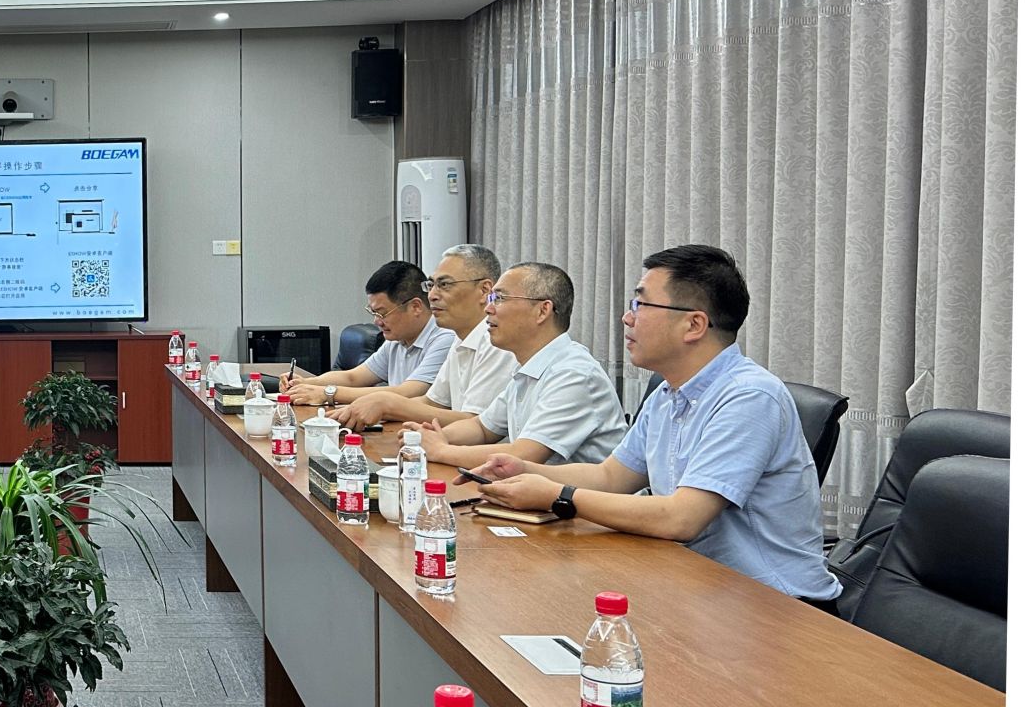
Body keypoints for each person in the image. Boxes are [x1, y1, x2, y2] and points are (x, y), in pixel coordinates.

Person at [476, 246, 840, 603]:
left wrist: (558, 496)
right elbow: (611, 477)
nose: (627, 318)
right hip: (694, 583)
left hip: (774, 604)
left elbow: (681, 518)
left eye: (641, 305)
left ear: (694, 324)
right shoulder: (668, 393)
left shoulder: (749, 396)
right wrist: (525, 470)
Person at [406, 261, 625, 468]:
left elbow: (523, 455)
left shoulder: (573, 374)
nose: (488, 308)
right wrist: (434, 437)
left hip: (581, 496)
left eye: (499, 298)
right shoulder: (528, 367)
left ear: (542, 311)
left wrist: (441, 450)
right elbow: (482, 428)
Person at [331, 244, 517, 430]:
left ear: (484, 290)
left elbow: (477, 423)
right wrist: (368, 405)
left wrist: (387, 404)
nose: (432, 295)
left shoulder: (498, 343)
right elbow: (433, 402)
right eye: (431, 285)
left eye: (444, 285)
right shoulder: (461, 338)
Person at [284, 260, 453, 407]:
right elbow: (353, 377)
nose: (377, 321)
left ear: (415, 307)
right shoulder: (397, 340)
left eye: (382, 313)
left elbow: (407, 392)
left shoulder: (445, 339)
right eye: (373, 313)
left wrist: (328, 393)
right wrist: (305, 383)